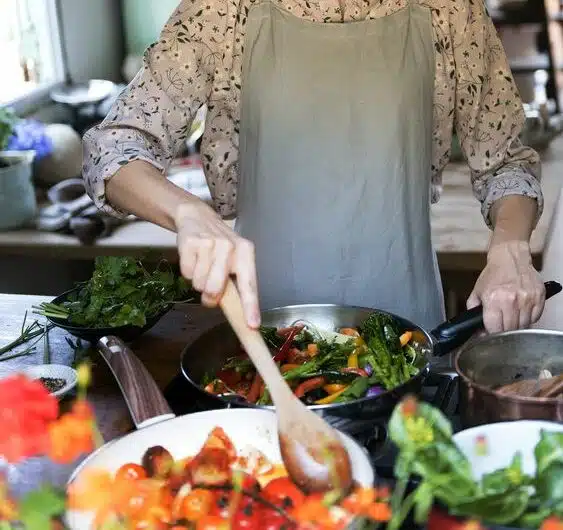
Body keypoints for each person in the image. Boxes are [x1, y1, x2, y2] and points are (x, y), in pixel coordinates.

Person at [83, 0, 546, 334]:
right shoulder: (223, 11)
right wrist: (187, 212)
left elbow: (505, 161)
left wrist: (510, 249)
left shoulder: (451, 10)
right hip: (267, 329)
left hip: (405, 329)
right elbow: (114, 145)